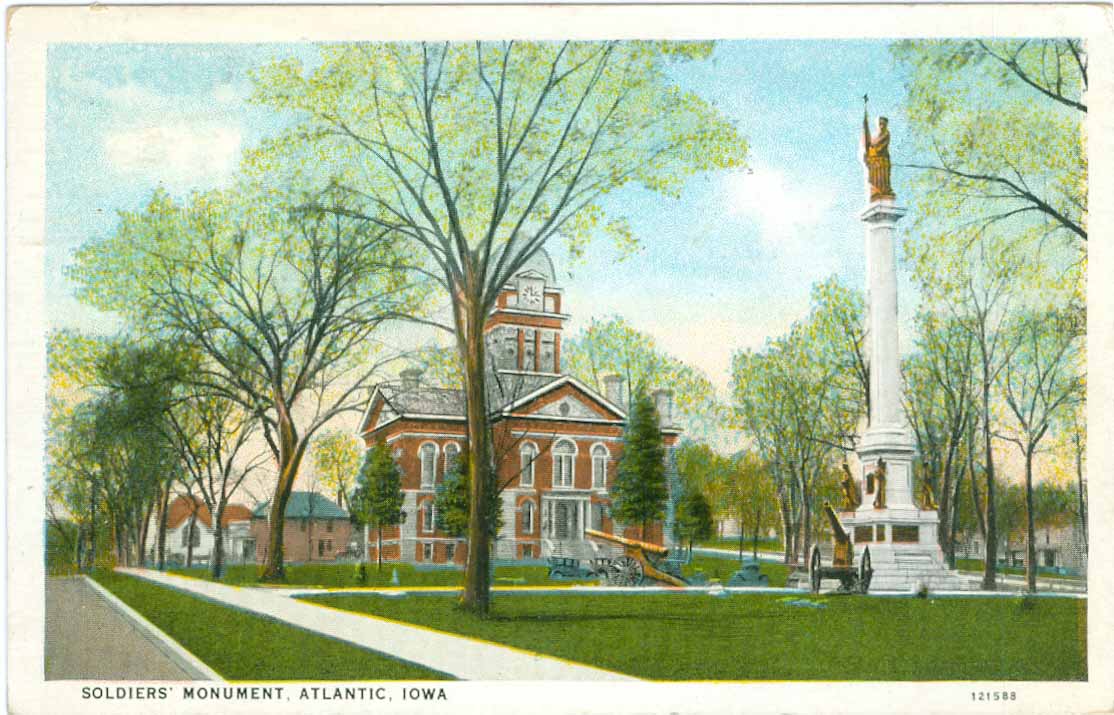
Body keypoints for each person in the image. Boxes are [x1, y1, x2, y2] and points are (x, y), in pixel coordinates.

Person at [862, 101, 895, 200]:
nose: (881, 126)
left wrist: (872, 149)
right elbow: (870, 145)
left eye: (883, 124)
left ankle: (884, 191)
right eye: (879, 124)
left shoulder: (886, 134)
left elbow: (880, 146)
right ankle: (876, 192)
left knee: (883, 178)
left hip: (883, 161)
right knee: (875, 178)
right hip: (875, 163)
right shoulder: (875, 136)